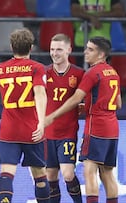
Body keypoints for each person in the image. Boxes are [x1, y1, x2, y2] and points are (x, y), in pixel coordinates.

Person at [46, 36, 122, 203]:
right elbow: (118, 104)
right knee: (107, 173)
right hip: (113, 128)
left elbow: (75, 98)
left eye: (90, 49)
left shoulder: (91, 73)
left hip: (97, 128)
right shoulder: (113, 72)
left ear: (101, 54)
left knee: (89, 172)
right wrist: (90, 104)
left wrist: (52, 116)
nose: (85, 52)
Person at [0, 28, 49, 203]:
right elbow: (40, 94)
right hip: (31, 130)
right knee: (40, 175)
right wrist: (41, 123)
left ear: (11, 46)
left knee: (6, 173)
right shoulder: (37, 68)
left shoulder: (1, 69)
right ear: (31, 47)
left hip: (8, 131)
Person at [45, 33, 85, 203]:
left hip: (67, 132)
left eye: (59, 49)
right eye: (52, 49)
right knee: (50, 176)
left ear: (69, 50)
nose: (55, 53)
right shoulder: (43, 73)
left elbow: (86, 98)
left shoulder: (79, 74)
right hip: (46, 134)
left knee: (68, 174)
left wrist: (84, 106)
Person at [70, 0, 125, 67]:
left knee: (101, 74)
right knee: (83, 74)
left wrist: (99, 16)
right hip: (81, 43)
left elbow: (120, 12)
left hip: (102, 44)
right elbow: (75, 12)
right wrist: (91, 17)